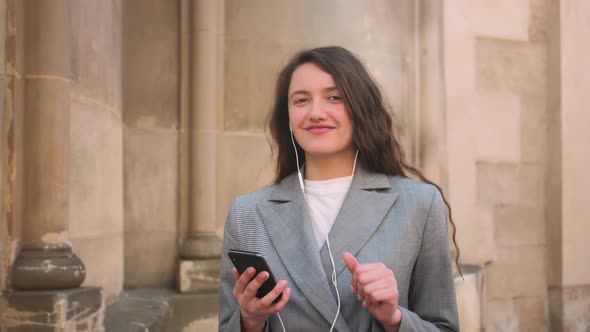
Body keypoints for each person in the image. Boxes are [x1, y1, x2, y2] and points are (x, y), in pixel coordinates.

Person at [218, 46, 459, 332]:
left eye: (334, 97)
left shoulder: (419, 205)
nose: (316, 112)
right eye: (301, 100)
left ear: (360, 109)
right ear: (288, 117)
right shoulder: (247, 213)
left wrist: (394, 319)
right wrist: (250, 320)